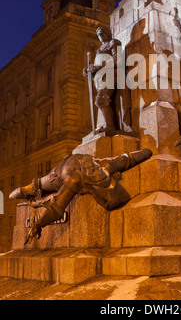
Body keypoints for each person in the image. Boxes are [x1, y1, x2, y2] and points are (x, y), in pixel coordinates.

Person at [9, 148, 152, 244]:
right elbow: (57, 208)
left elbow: (127, 160)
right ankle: (25, 190)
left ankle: (28, 189)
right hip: (57, 176)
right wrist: (38, 224)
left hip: (70, 163)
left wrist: (147, 152)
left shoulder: (103, 166)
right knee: (40, 184)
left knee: (41, 184)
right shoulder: (76, 179)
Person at [84, 26, 133, 134]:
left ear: (107, 33)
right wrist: (89, 70)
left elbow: (118, 60)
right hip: (103, 77)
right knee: (102, 101)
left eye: (102, 33)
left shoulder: (114, 42)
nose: (100, 36)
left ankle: (110, 127)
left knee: (100, 100)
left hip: (113, 75)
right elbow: (98, 64)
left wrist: (99, 67)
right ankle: (109, 125)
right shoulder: (100, 49)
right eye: (98, 35)